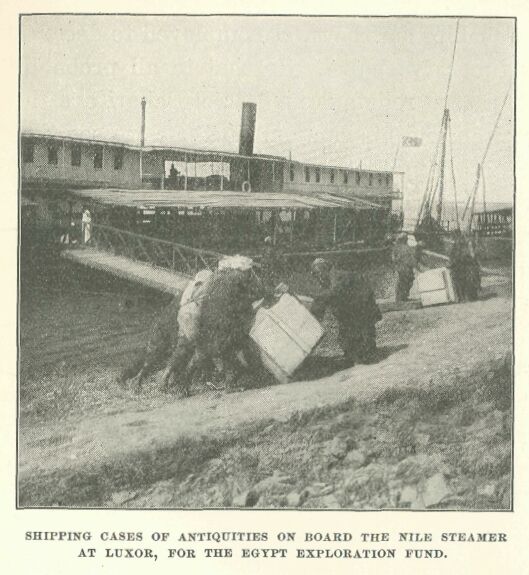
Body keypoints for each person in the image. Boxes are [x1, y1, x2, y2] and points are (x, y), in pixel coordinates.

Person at [310, 258, 382, 366]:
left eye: (318, 273)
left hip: (362, 304)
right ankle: (357, 353)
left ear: (324, 269)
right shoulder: (328, 279)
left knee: (362, 330)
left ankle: (368, 354)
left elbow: (332, 293)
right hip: (353, 307)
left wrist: (318, 301)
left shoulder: (337, 276)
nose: (318, 277)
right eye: (315, 275)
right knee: (348, 335)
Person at [391, 232, 417, 303]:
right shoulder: (398, 247)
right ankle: (400, 298)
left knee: (408, 281)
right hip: (403, 267)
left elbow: (411, 257)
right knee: (403, 281)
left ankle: (404, 296)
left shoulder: (404, 247)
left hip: (407, 267)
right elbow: (394, 258)